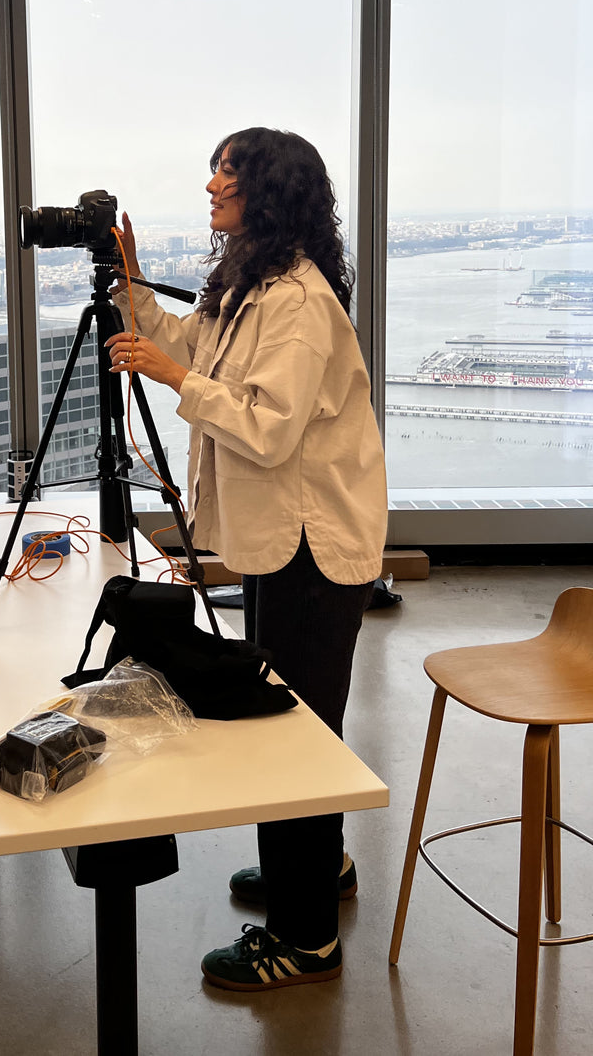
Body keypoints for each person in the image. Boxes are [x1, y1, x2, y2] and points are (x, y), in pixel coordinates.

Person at [105, 126, 387, 993]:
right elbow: (191, 345)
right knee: (289, 713)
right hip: (279, 539)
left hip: (312, 543)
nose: (210, 186)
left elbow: (265, 427)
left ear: (265, 190)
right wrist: (130, 286)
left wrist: (169, 377)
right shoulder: (250, 283)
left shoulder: (298, 303)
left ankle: (304, 937)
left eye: (224, 174)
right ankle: (320, 862)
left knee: (296, 732)